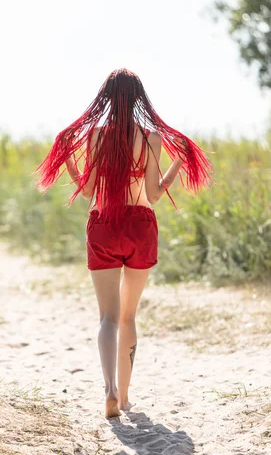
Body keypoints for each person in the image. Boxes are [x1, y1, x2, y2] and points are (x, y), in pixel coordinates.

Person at [36, 68, 213, 418]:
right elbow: (153, 194)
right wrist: (177, 162)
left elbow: (88, 191)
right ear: (138, 99)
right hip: (140, 225)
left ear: (105, 97)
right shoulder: (151, 139)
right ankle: (127, 397)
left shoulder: (95, 136)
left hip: (103, 224)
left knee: (108, 318)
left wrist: (70, 161)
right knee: (129, 316)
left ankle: (109, 391)